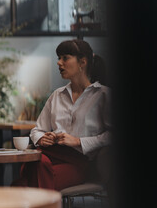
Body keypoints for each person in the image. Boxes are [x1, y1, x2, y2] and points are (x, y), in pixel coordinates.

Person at [12, 39, 111, 191]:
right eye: (58, 58)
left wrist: (79, 141)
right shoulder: (57, 95)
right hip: (46, 155)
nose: (59, 63)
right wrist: (41, 138)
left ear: (82, 62)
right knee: (38, 163)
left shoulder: (103, 95)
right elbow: (37, 130)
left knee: (19, 187)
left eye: (65, 58)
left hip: (77, 163)